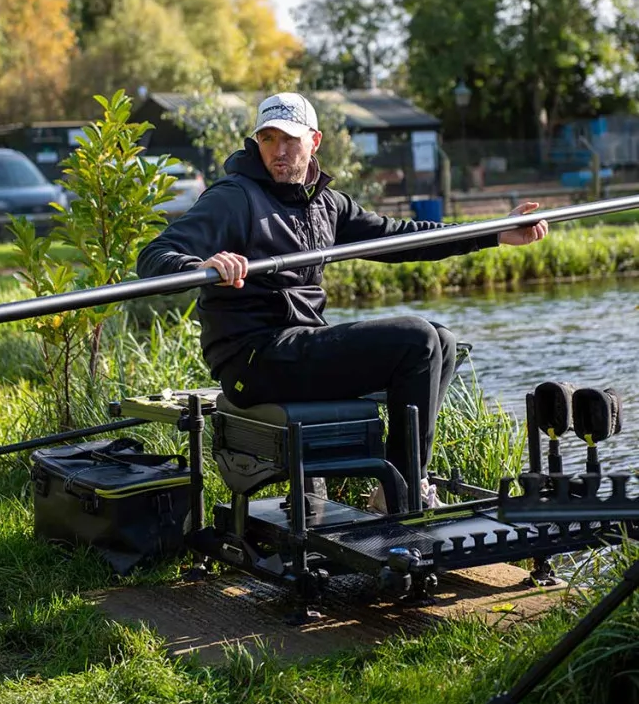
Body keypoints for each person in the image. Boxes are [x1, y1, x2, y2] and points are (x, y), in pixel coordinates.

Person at [137, 92, 548, 508]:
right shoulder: (232, 197)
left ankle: (397, 485)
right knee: (418, 338)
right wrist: (201, 263)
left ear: (314, 141)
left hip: (298, 345)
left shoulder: (325, 203)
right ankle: (402, 492)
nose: (279, 151)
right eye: (268, 139)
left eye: (290, 139)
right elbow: (155, 255)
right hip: (252, 358)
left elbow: (400, 237)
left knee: (442, 340)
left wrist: (495, 232)